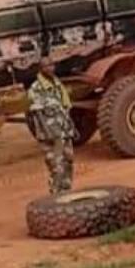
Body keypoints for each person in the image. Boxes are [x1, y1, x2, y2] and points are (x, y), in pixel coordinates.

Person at [26, 56, 77, 195]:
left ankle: (66, 190)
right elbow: (37, 112)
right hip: (49, 133)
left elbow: (65, 106)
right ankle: (55, 193)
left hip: (63, 131)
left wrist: (69, 127)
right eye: (46, 66)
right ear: (40, 69)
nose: (50, 68)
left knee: (68, 160)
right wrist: (50, 135)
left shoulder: (57, 84)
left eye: (52, 65)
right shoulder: (36, 88)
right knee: (55, 165)